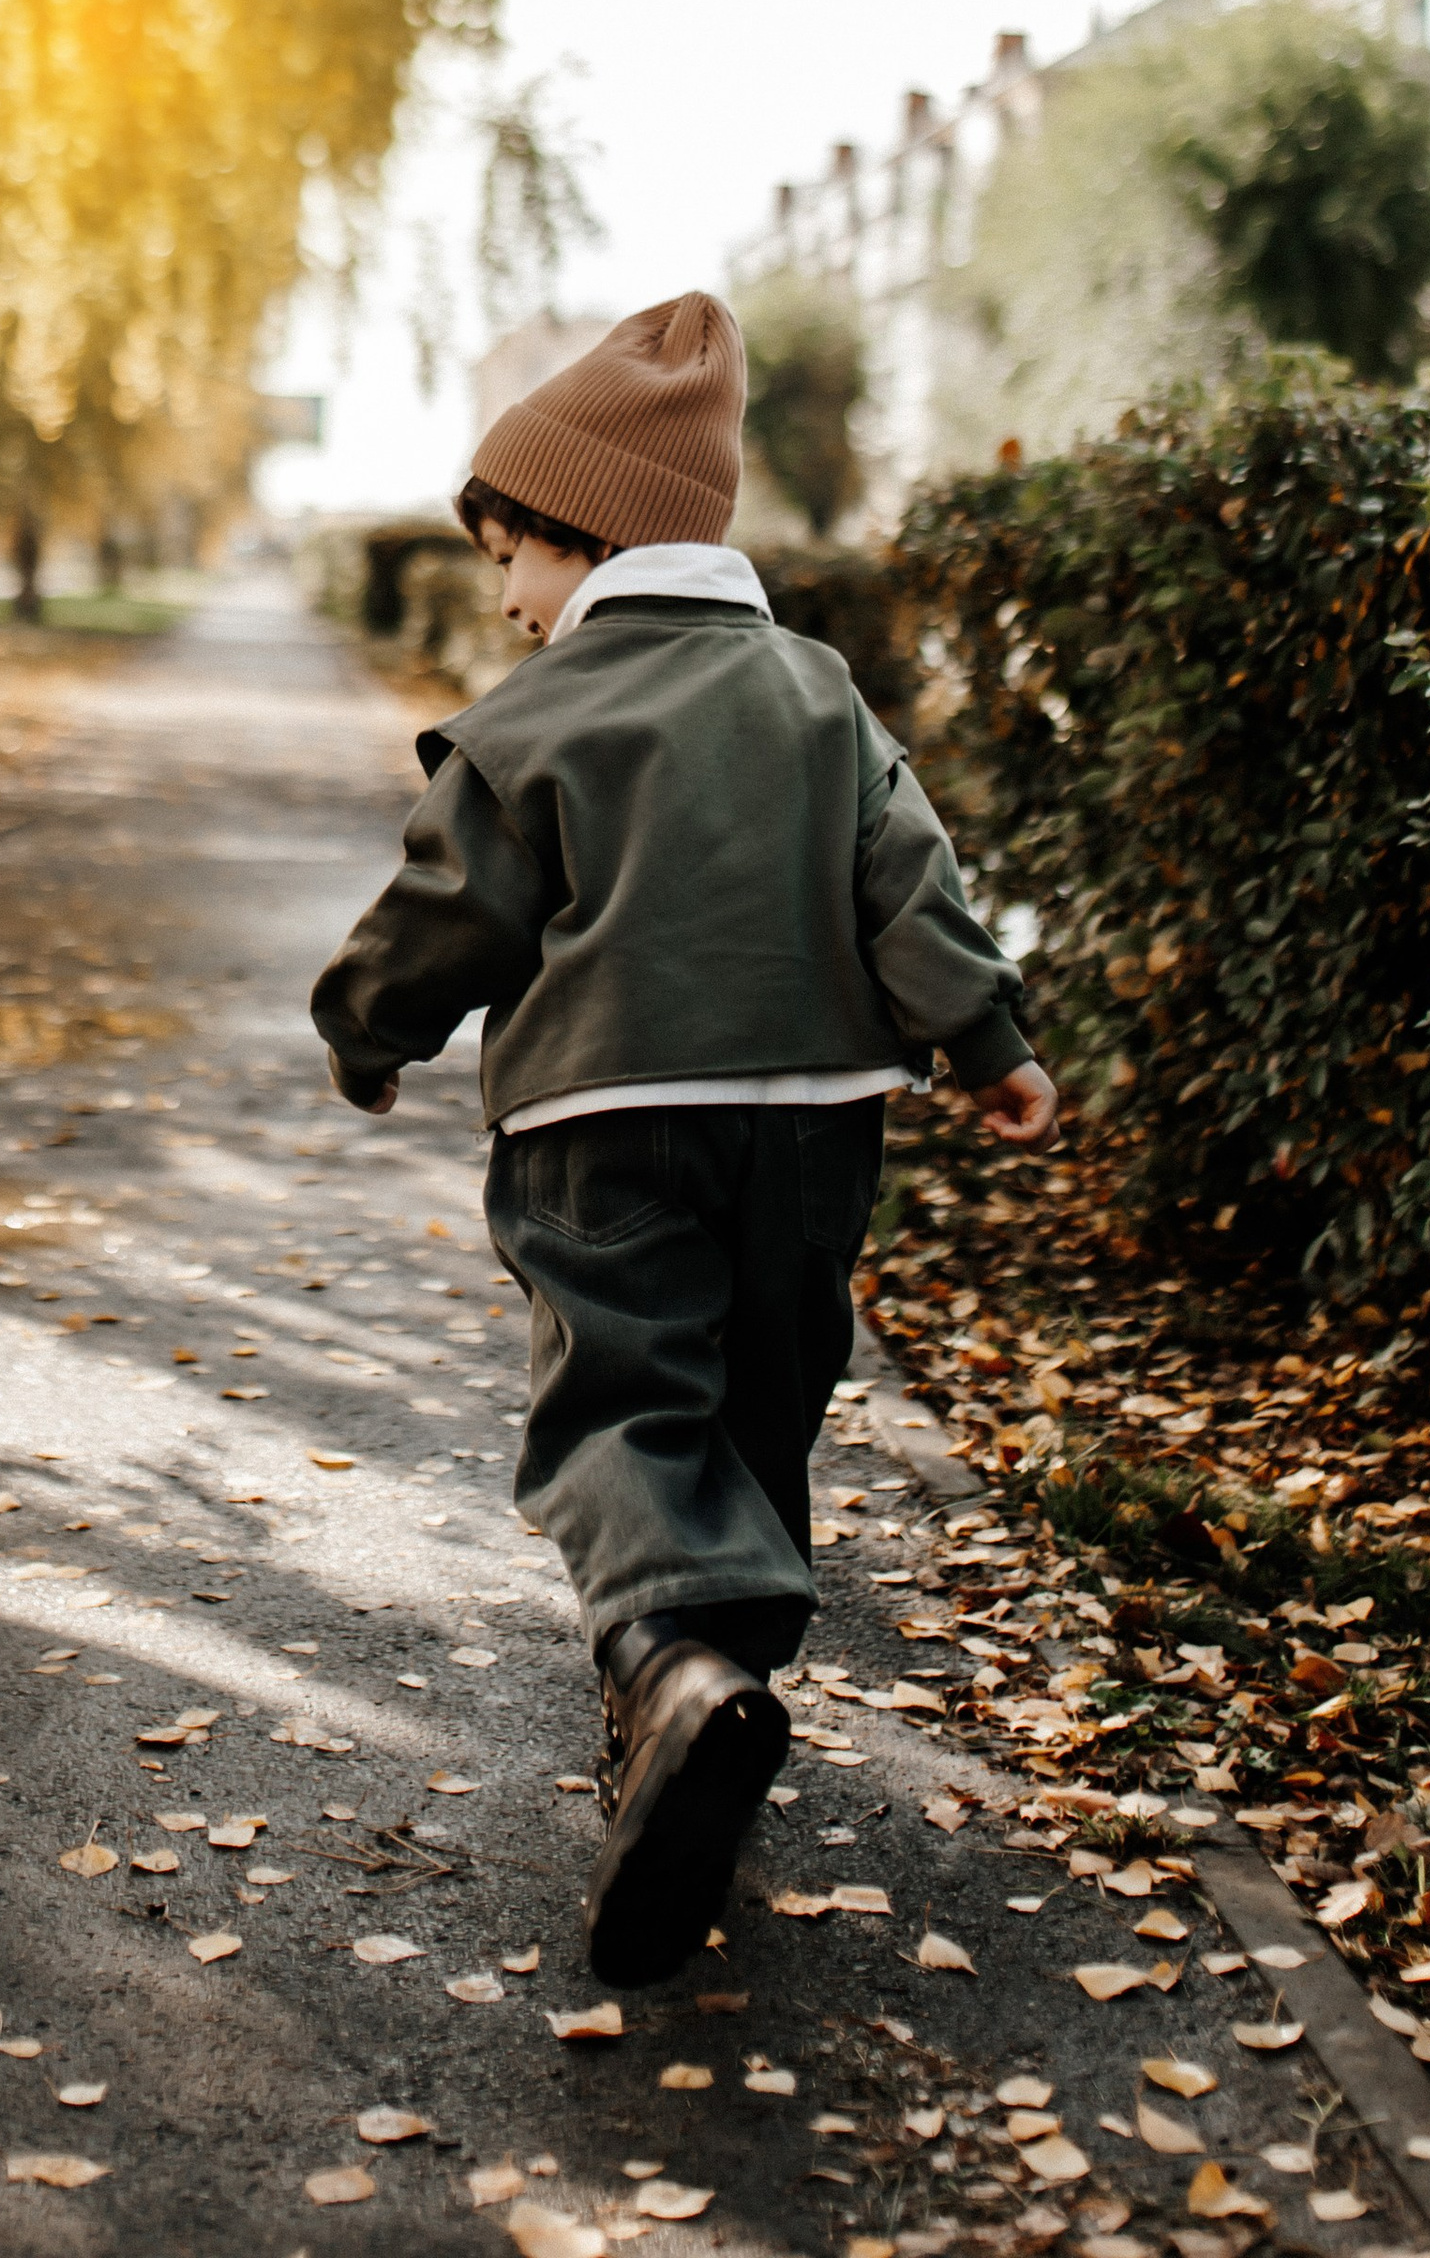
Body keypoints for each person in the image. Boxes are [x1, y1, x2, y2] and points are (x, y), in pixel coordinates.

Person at [311, 290, 1056, 1987]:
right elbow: (909, 879)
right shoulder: (819, 695)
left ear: (588, 535)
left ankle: (671, 1674)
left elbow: (447, 906)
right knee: (763, 1394)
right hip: (814, 1130)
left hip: (602, 1124)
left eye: (511, 555)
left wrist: (368, 1029)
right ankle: (718, 1687)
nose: (506, 595)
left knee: (625, 1399)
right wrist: (988, 1041)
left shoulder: (538, 716)